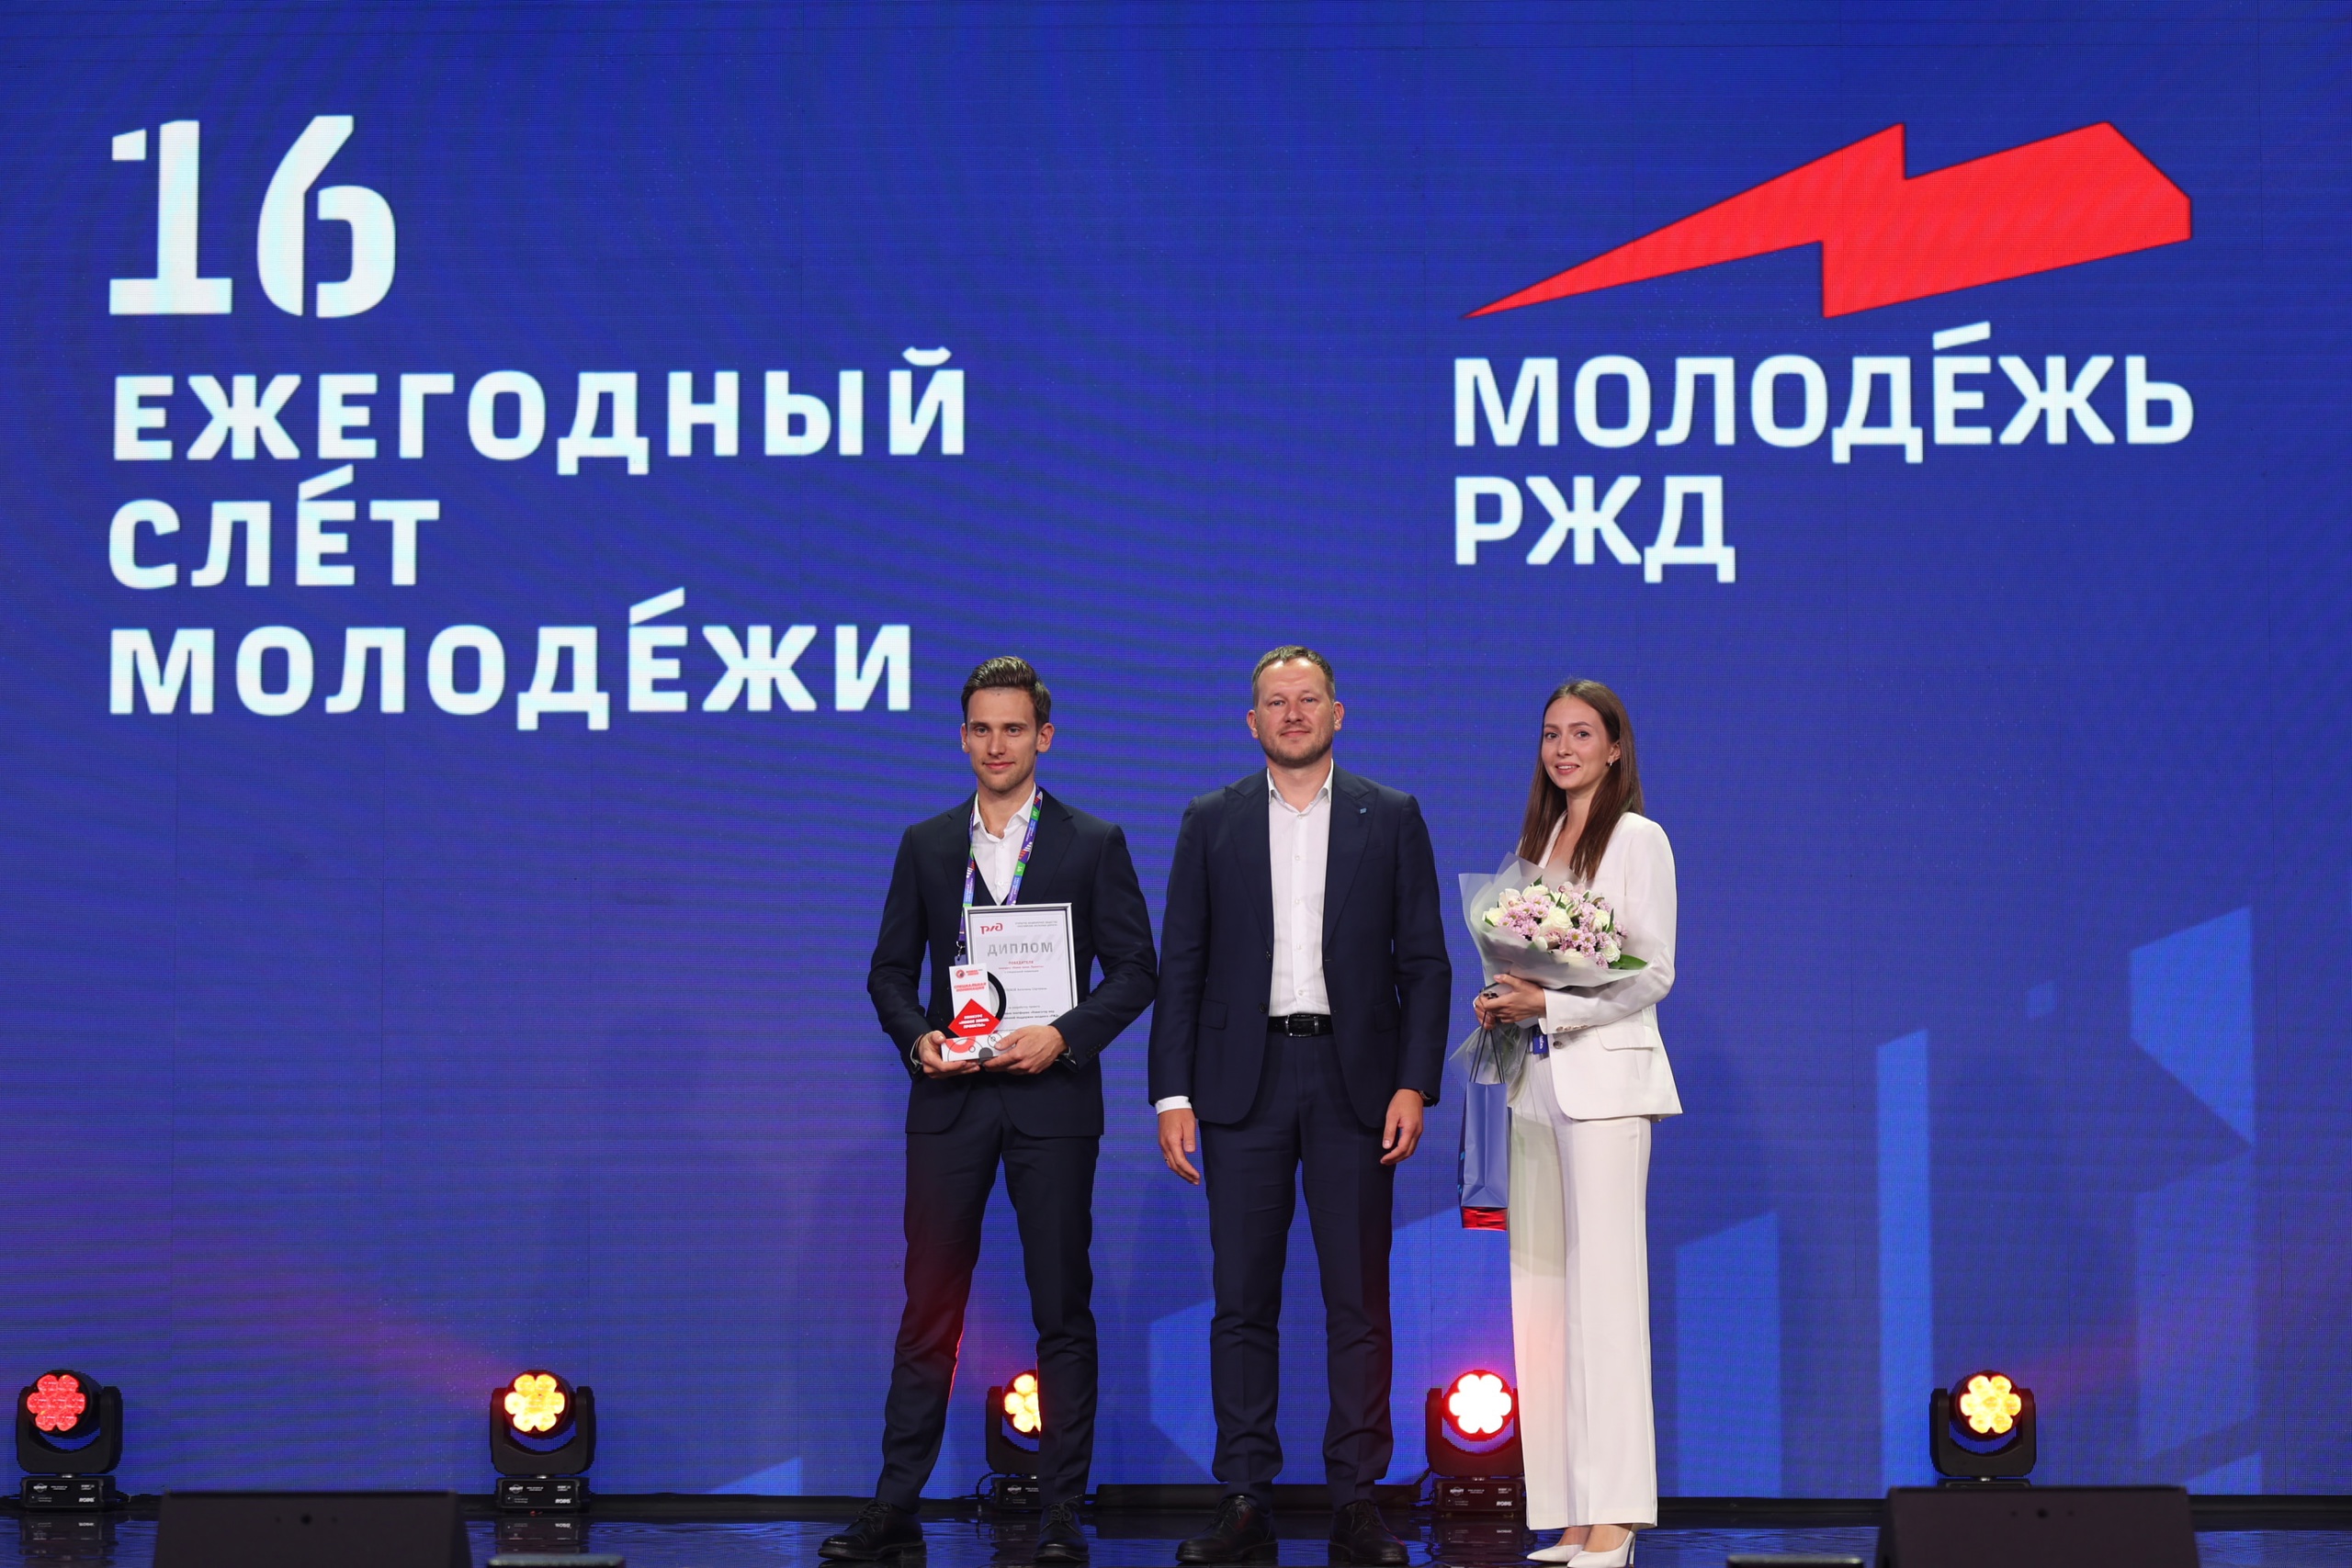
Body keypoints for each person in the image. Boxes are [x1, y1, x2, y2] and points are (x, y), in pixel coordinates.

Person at [823, 657, 1159, 1566]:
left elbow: (1137, 970)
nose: (997, 744)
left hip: (1053, 1100)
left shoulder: (1093, 841)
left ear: (1043, 736)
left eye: (1014, 728)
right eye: (981, 728)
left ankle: (1061, 1513)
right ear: (962, 737)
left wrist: (1065, 1034)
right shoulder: (927, 844)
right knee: (928, 1308)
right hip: (952, 1101)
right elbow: (889, 972)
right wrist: (918, 1038)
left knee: (1062, 1309)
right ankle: (894, 1504)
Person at [1148, 647, 1452, 1567]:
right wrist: (1171, 1091)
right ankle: (1245, 1496)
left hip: (1355, 1082)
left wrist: (1414, 1081)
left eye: (1307, 698)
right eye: (1275, 702)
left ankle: (1357, 1501)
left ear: (1336, 712)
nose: (1292, 713)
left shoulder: (1389, 815)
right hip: (1238, 1084)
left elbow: (1424, 963)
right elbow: (1182, 965)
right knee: (1241, 1300)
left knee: (1358, 1299)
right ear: (1252, 722)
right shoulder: (1211, 820)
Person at [1470, 680, 1679, 1568]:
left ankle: (1617, 1517)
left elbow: (1652, 972)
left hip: (1606, 1087)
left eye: (1582, 733)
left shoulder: (1638, 838)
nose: (1564, 748)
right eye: (1552, 733)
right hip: (1536, 1086)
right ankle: (1567, 1512)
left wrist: (1551, 1004)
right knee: (1546, 1305)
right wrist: (1506, 1000)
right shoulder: (1539, 843)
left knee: (1607, 1299)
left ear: (1615, 747)